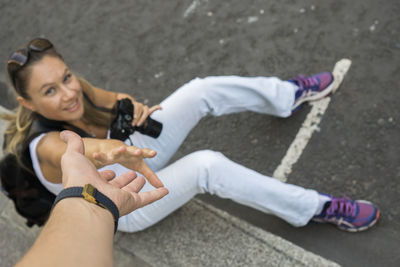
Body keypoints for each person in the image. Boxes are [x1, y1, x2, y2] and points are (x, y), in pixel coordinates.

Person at [4, 38, 379, 233]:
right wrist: (113, 148)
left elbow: (114, 99)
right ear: (28, 102)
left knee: (199, 90)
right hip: (126, 201)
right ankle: (316, 209)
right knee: (206, 167)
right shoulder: (46, 145)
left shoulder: (77, 89)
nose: (68, 93)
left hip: (138, 155)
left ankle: (285, 96)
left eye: (66, 77)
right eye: (49, 91)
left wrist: (132, 106)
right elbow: (89, 149)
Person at [16, 130, 168, 267]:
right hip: (117, 206)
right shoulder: (45, 144)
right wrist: (108, 147)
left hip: (109, 200)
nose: (69, 96)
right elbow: (71, 150)